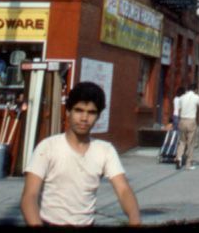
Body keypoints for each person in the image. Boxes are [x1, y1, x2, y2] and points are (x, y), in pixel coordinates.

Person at [20, 82, 141, 227]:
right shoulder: (48, 147)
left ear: (98, 116)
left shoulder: (105, 150)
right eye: (79, 110)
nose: (84, 118)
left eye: (91, 112)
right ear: (68, 111)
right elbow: (29, 197)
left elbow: (123, 190)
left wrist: (135, 219)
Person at [174, 83, 199, 170]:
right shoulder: (196, 97)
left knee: (182, 141)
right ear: (195, 90)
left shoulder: (182, 97)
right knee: (190, 143)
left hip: (182, 120)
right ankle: (188, 164)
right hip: (191, 120)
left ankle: (178, 157)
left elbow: (178, 109)